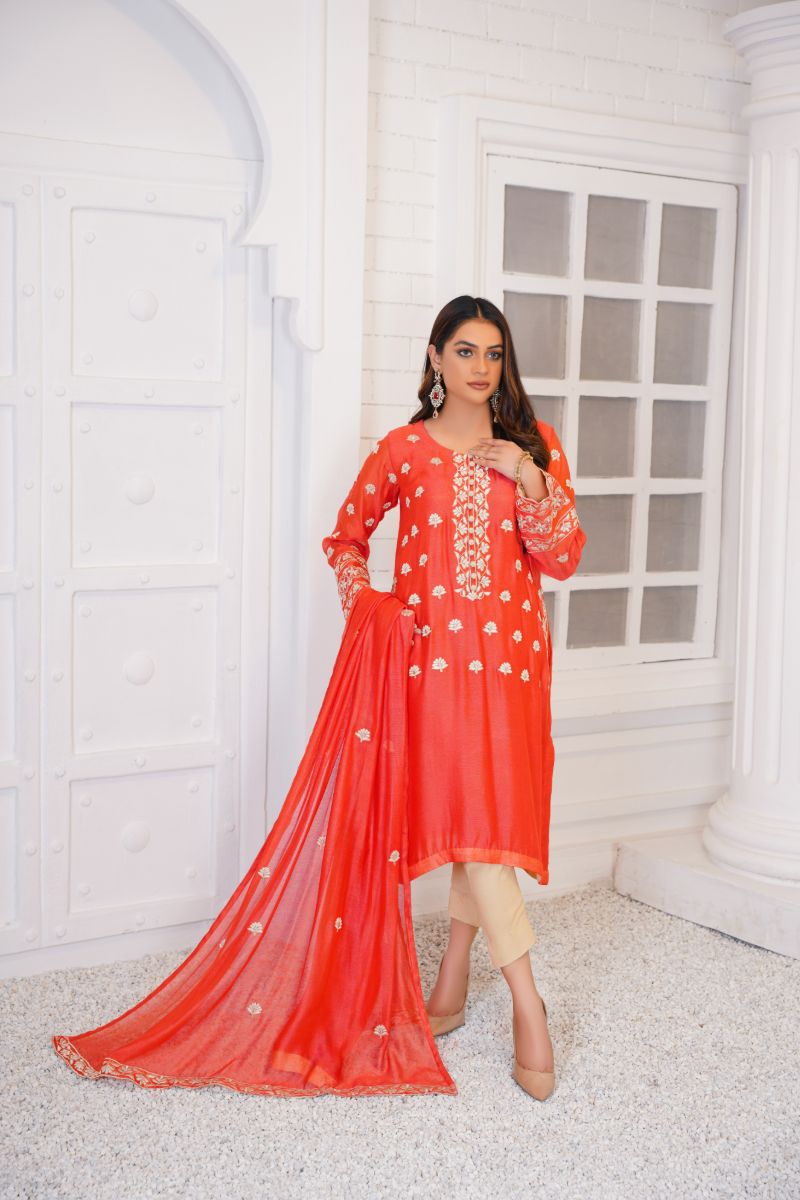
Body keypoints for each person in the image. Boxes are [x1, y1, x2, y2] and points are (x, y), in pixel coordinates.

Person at [321, 294, 586, 1100]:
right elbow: (345, 539)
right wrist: (376, 606)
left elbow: (563, 559)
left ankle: (455, 976)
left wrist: (530, 478)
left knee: (485, 824)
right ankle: (529, 1004)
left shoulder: (535, 445)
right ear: (435, 357)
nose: (481, 368)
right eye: (465, 351)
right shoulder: (403, 450)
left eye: (493, 354)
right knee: (472, 824)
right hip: (431, 667)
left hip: (510, 667)